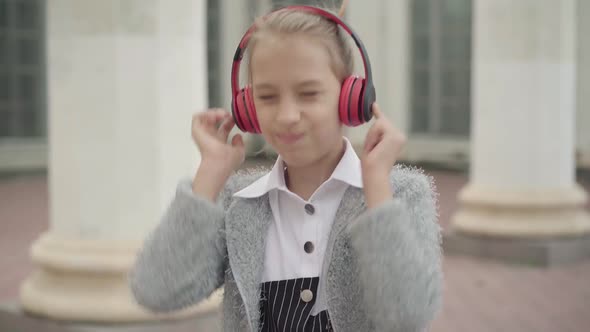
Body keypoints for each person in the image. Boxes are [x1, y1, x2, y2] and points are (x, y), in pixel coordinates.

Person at [129, 2, 442, 331]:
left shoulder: (399, 194)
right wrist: (209, 175)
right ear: (247, 108)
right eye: (267, 97)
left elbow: (409, 315)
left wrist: (376, 187)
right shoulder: (238, 204)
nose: (287, 116)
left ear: (352, 98)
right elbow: (155, 291)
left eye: (308, 93)